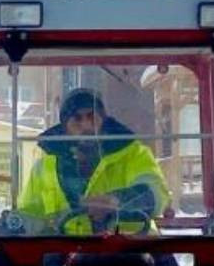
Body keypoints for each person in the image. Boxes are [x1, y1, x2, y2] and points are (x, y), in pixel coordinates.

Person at [18, 88, 171, 237]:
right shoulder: (45, 167)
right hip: (64, 250)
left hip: (130, 246)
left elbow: (156, 192)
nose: (86, 126)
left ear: (103, 121)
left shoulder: (133, 154)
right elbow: (28, 214)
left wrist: (118, 200)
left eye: (92, 117)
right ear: (65, 128)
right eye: (77, 119)